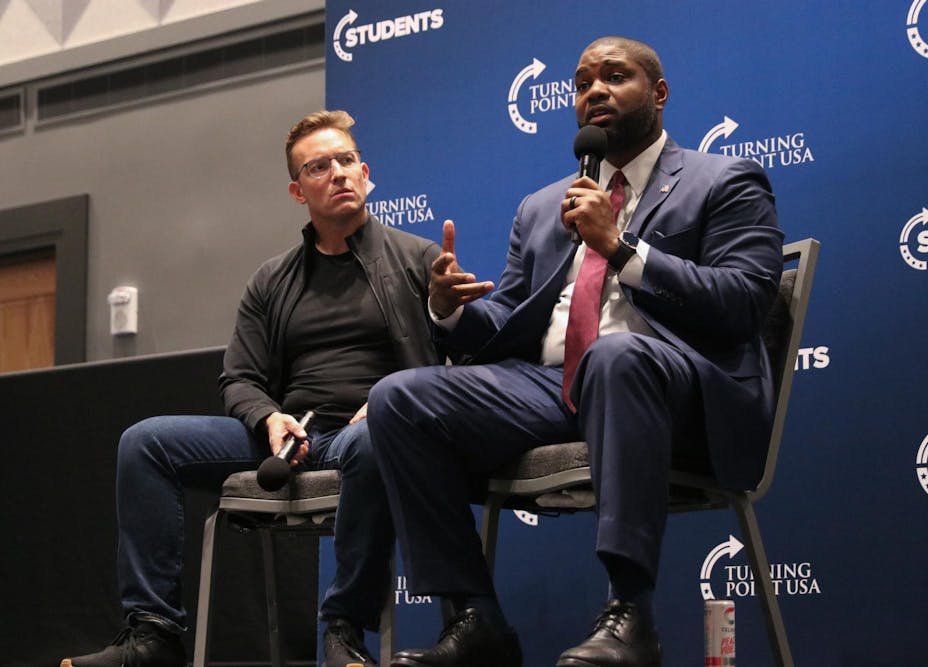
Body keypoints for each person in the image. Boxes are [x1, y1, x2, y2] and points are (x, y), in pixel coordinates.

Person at [366, 36, 784, 667]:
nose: (595, 92)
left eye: (616, 77)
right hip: (552, 386)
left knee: (615, 356)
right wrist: (450, 311)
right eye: (584, 82)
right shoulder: (542, 206)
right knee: (399, 398)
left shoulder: (723, 180)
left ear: (659, 94)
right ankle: (475, 619)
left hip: (675, 389)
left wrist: (621, 248)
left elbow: (745, 300)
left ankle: (629, 614)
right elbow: (507, 320)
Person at [61, 110, 442, 667]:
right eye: (319, 166)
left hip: (367, 434)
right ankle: (153, 635)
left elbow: (450, 365)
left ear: (367, 173)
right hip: (289, 440)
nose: (337, 173)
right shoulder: (273, 279)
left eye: (346, 161)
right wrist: (268, 418)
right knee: (146, 442)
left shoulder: (419, 259)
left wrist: (388, 403)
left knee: (372, 439)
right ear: (297, 190)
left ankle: (342, 631)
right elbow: (238, 376)